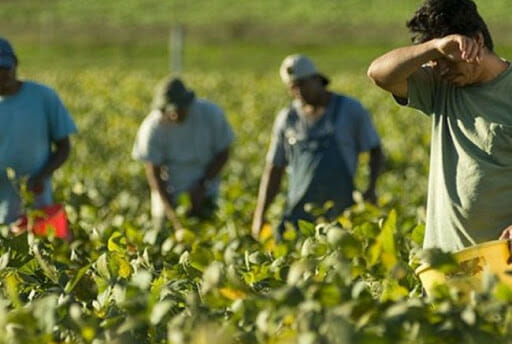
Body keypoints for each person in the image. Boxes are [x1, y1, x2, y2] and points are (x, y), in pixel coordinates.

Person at [367, 0, 512, 252]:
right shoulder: (439, 87)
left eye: (448, 60)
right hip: (445, 263)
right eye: (436, 62)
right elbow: (379, 74)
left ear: (477, 40)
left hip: (501, 262)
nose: (442, 69)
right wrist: (434, 48)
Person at [252, 54, 383, 240]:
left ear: (316, 79)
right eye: (292, 87)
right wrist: (260, 215)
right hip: (299, 215)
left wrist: (371, 188)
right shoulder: (287, 118)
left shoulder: (350, 110)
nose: (298, 92)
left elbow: (375, 151)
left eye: (302, 84)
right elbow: (274, 168)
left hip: (341, 213)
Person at [132, 76, 234, 230]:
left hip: (206, 193)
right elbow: (154, 175)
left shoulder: (210, 115)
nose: (175, 115)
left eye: (179, 109)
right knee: (163, 236)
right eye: (170, 110)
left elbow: (223, 153)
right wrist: (172, 215)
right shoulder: (152, 128)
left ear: (188, 103)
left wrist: (202, 186)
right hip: (167, 197)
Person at [0, 37, 77, 225]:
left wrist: (41, 175)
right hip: (3, 204)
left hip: (39, 202)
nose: (2, 76)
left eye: (6, 69)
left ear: (15, 65)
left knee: (41, 247)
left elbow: (64, 147)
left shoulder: (43, 97)